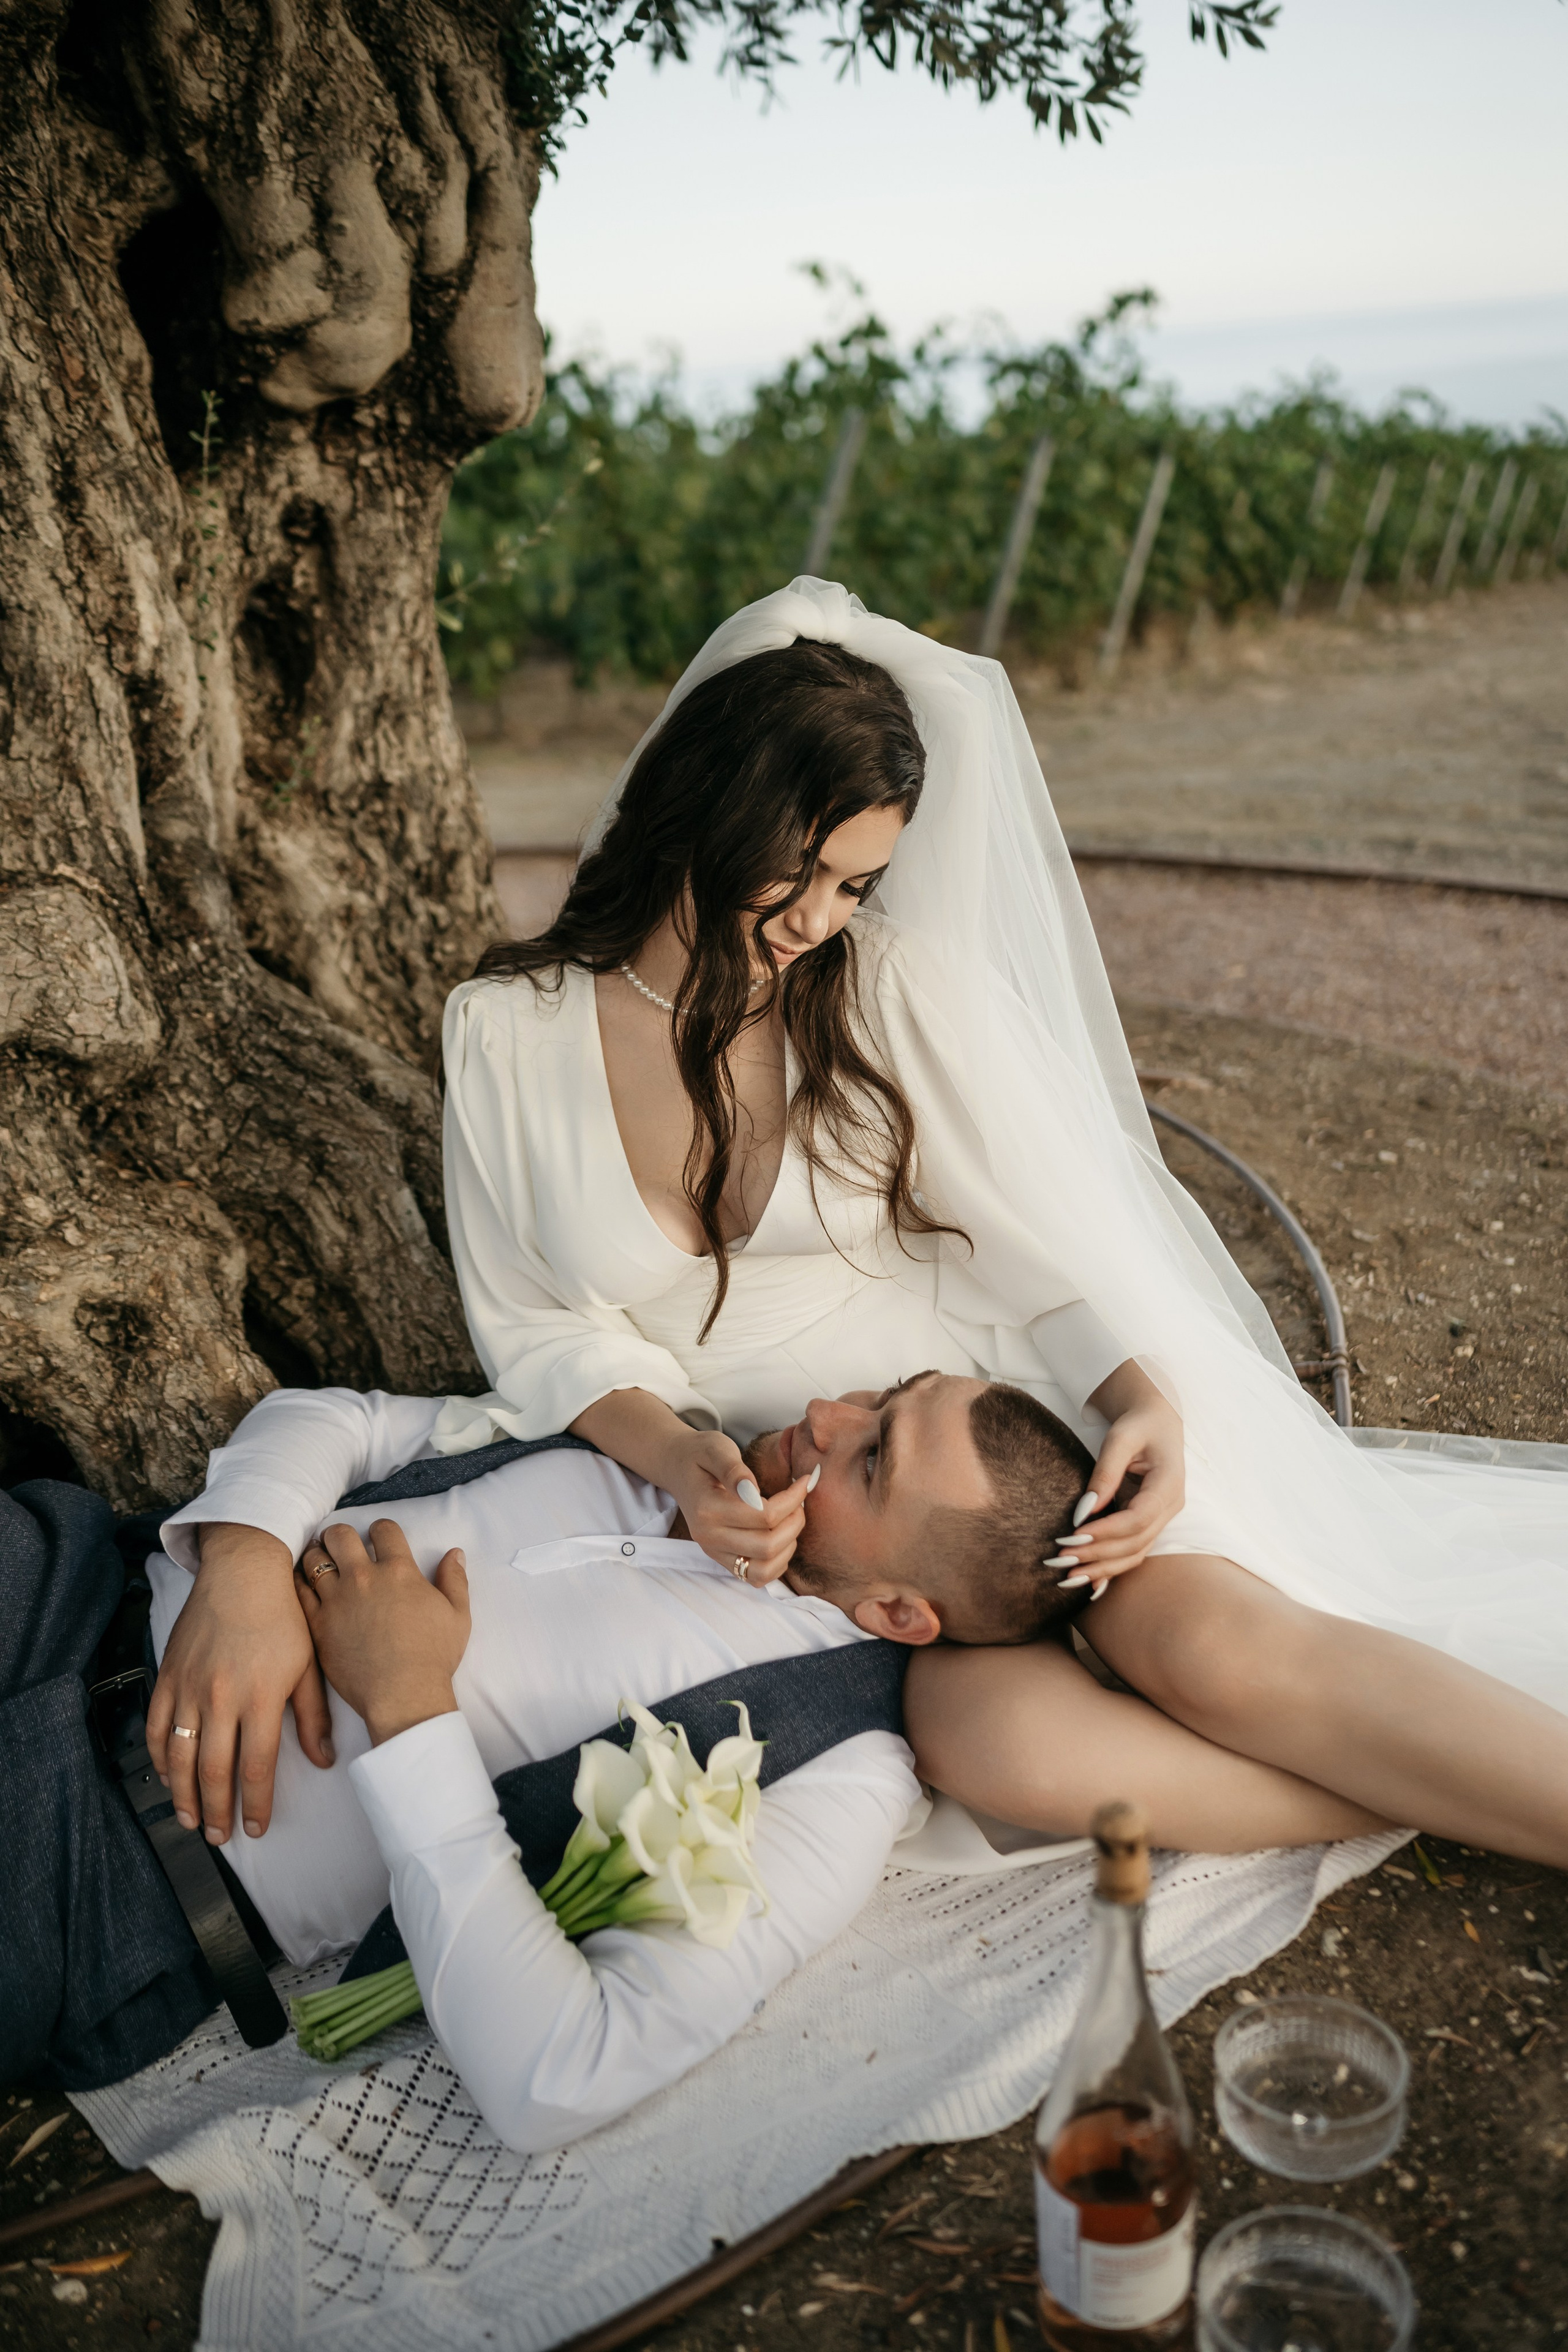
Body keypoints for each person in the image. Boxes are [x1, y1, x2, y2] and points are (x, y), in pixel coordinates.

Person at [428, 575, 1568, 1836]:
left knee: (1203, 1651)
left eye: (856, 884)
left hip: (981, 1429)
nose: (819, 918)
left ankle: (1482, 1785)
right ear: (702, 804)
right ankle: (1386, 1797)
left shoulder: (879, 990)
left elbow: (1013, 1236)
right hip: (829, 1525)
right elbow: (536, 1326)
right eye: (797, 868)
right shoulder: (500, 1037)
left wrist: (1132, 1390)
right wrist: (682, 1459)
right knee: (989, 1742)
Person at [1, 1372, 1382, 2126]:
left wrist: (408, 1712)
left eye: (872, 1460)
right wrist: (243, 1565)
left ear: (905, 1611)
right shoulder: (666, 1447)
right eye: (876, 1395)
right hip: (61, 1587)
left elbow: (563, 2073)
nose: (823, 1416)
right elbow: (348, 1420)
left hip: (104, 1879)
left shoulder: (834, 1776)